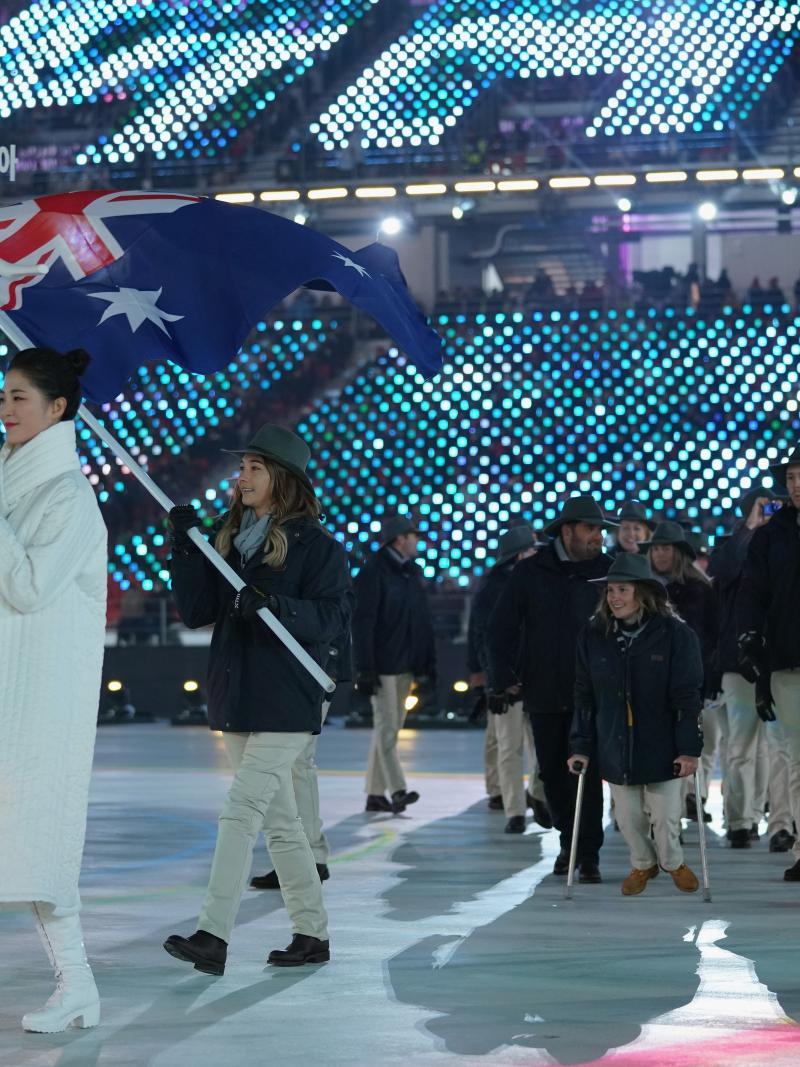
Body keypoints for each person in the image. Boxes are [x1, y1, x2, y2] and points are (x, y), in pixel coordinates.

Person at [163, 424, 352, 973]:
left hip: (289, 699)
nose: (241, 476)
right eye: (242, 467)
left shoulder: (317, 546)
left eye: (254, 468)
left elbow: (335, 618)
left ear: (283, 479)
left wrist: (275, 607)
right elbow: (197, 610)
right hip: (238, 696)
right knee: (282, 824)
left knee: (241, 812)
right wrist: (186, 549)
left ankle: (212, 935)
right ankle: (311, 935)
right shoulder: (227, 536)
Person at [0, 347, 107, 1033]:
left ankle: (78, 986)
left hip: (39, 705)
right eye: (4, 396)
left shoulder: (69, 497)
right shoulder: (16, 487)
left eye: (18, 397)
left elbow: (28, 587)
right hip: (12, 693)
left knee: (39, 848)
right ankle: (80, 990)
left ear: (57, 409)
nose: (5, 408)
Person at [487, 496, 613, 882]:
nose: (597, 537)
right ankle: (566, 839)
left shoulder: (608, 571)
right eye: (591, 529)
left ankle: (586, 853)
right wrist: (501, 678)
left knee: (587, 775)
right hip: (544, 687)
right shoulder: (530, 572)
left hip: (594, 691)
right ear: (568, 529)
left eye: (600, 530)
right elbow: (500, 627)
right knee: (552, 776)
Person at [569, 554, 704, 896]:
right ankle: (644, 863)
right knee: (628, 817)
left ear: (643, 593)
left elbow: (687, 695)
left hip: (662, 742)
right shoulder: (593, 634)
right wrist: (580, 745)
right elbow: (584, 694)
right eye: (611, 591)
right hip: (615, 742)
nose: (614, 597)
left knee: (665, 817)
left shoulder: (676, 635)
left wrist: (689, 748)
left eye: (622, 590)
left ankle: (672, 862)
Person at [709, 487, 794, 851]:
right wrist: (751, 528)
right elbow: (726, 570)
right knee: (743, 746)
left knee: (780, 750)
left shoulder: (786, 542)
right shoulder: (733, 546)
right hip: (739, 662)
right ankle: (742, 820)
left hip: (778, 657)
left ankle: (779, 824)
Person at [737, 442, 800, 881]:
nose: (796, 484)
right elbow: (753, 595)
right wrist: (752, 647)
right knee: (796, 759)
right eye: (791, 477)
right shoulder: (770, 536)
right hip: (787, 661)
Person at [250, 627, 352, 889]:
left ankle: (307, 859)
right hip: (294, 669)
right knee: (295, 765)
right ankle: (304, 859)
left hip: (312, 669)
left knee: (297, 763)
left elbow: (336, 610)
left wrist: (330, 664)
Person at [467, 524, 551, 833]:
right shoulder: (493, 590)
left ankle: (535, 796)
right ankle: (516, 809)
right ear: (519, 555)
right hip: (509, 680)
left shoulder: (537, 583)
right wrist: (494, 679)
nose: (537, 553)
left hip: (535, 677)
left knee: (539, 746)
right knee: (509, 746)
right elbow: (484, 638)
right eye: (531, 549)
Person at [353, 514, 436, 814]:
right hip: (384, 666)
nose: (417, 541)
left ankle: (375, 795)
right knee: (388, 730)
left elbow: (420, 622)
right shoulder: (375, 572)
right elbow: (363, 623)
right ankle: (397, 789)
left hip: (405, 665)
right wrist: (365, 667)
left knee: (389, 728)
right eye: (414, 536)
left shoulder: (409, 572)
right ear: (400, 539)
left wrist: (425, 665)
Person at [641, 520, 719, 820]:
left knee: (694, 740)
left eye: (666, 548)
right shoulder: (641, 590)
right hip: (651, 678)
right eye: (656, 548)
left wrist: (710, 672)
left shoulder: (701, 589)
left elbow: (713, 633)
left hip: (694, 677)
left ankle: (690, 798)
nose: (660, 554)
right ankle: (661, 809)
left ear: (679, 552)